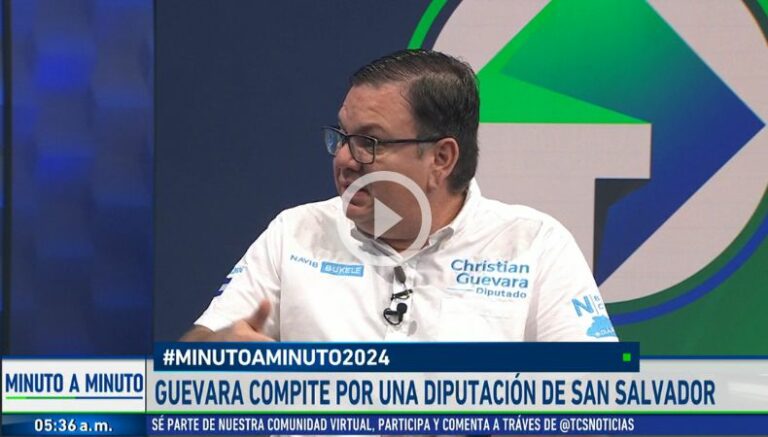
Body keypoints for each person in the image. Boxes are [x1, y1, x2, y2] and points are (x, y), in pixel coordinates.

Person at [181, 49, 617, 343]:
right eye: (342, 136)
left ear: (441, 158)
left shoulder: (533, 246)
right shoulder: (296, 234)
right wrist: (213, 355)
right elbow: (191, 361)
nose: (345, 159)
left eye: (369, 142)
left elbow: (594, 403)